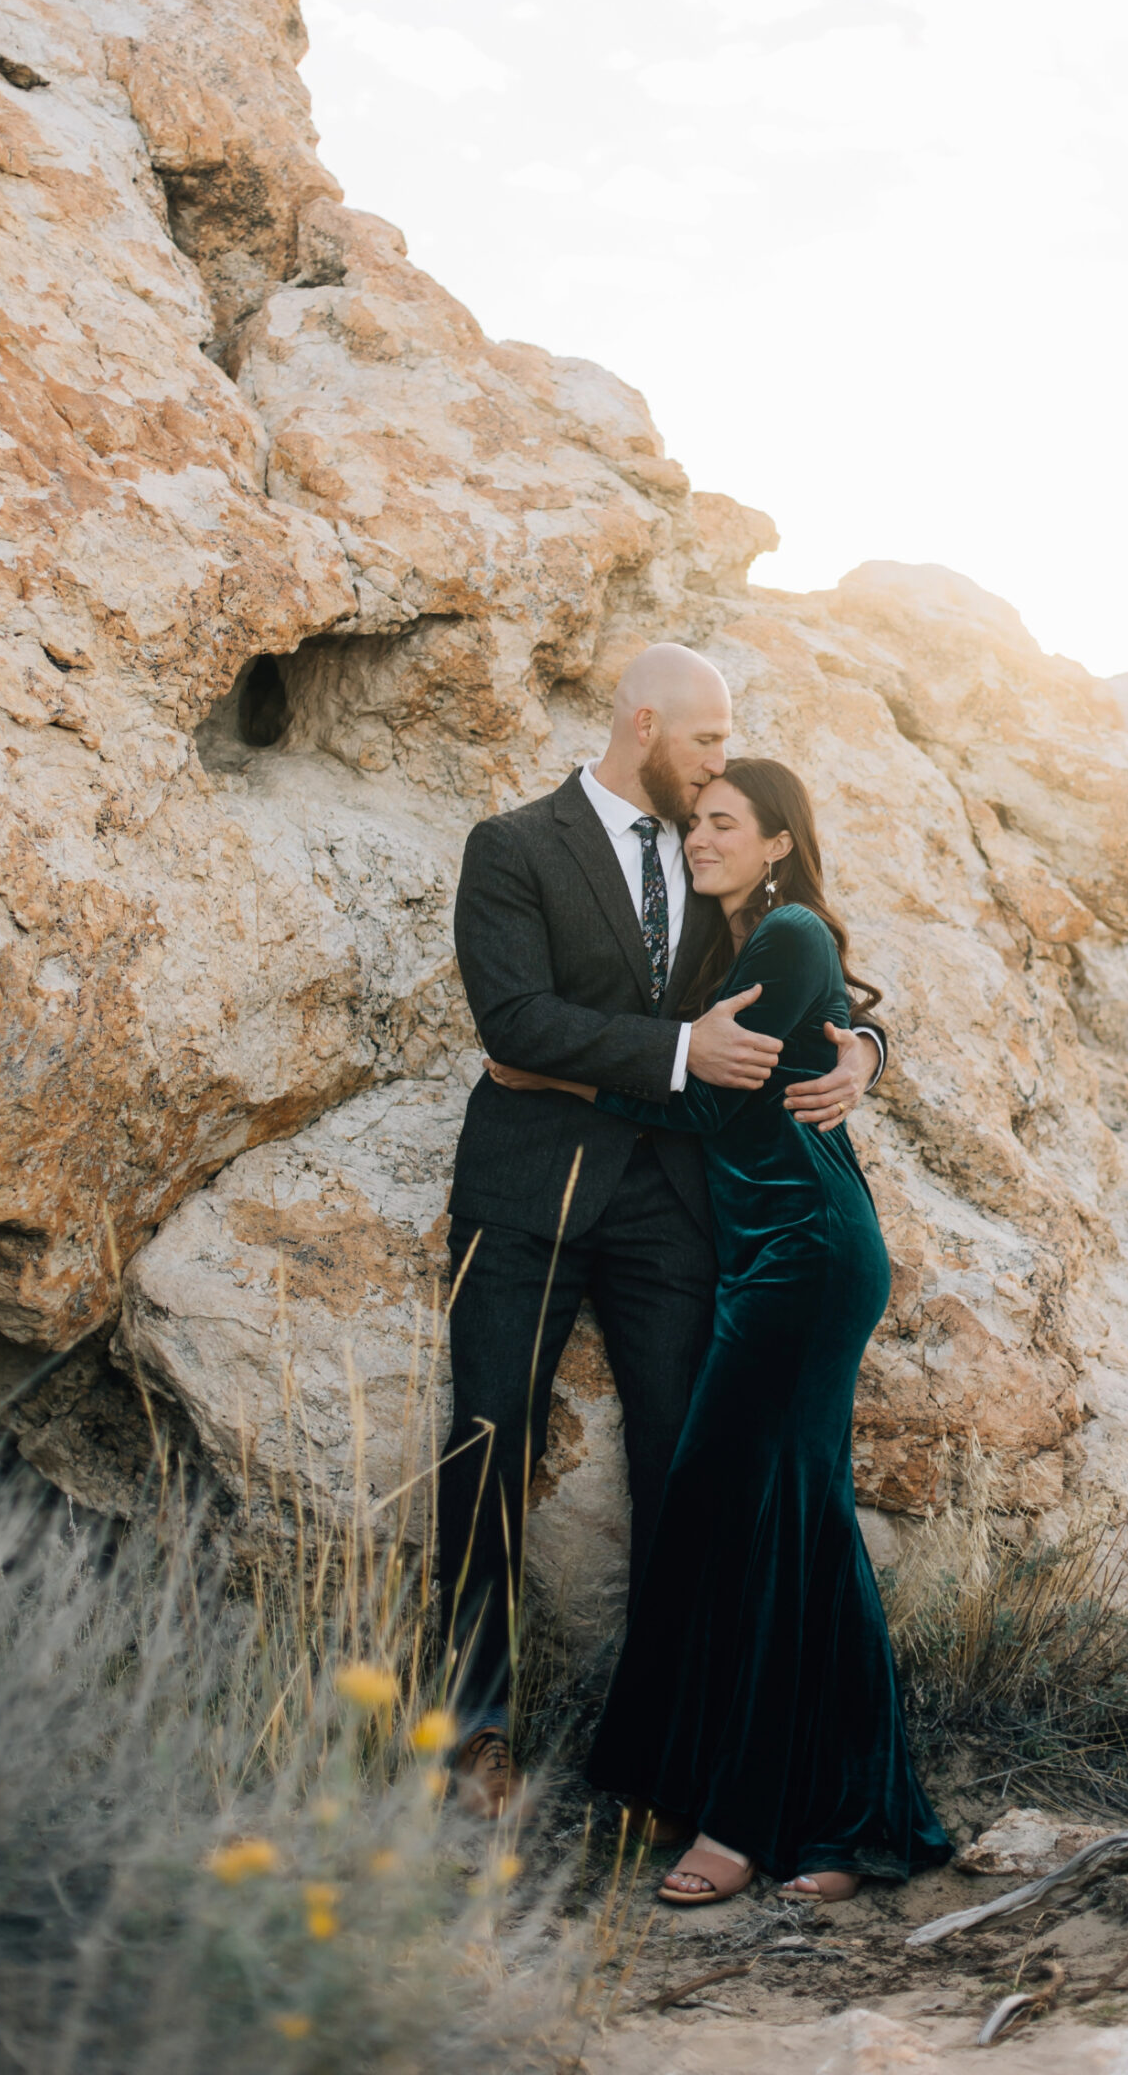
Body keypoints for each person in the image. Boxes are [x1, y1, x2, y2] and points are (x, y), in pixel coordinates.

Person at [486, 757, 949, 1903]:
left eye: (725, 822)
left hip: (805, 1257)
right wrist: (859, 1047)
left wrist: (554, 1079)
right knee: (796, 1527)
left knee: (733, 1518)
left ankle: (741, 1823)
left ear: (780, 840)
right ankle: (840, 1826)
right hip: (760, 1262)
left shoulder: (785, 934)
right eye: (694, 822)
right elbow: (822, 1027)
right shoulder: (740, 944)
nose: (699, 837)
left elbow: (704, 1097)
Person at [442, 647, 888, 1818]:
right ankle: (470, 1731)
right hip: (522, 1194)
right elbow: (513, 1020)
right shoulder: (512, 848)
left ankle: (670, 1748)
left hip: (675, 1210)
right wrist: (680, 1051)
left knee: (677, 1468)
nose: (715, 762)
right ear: (644, 724)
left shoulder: (714, 854)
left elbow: (824, 969)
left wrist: (864, 1051)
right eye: (704, 740)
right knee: (486, 1444)